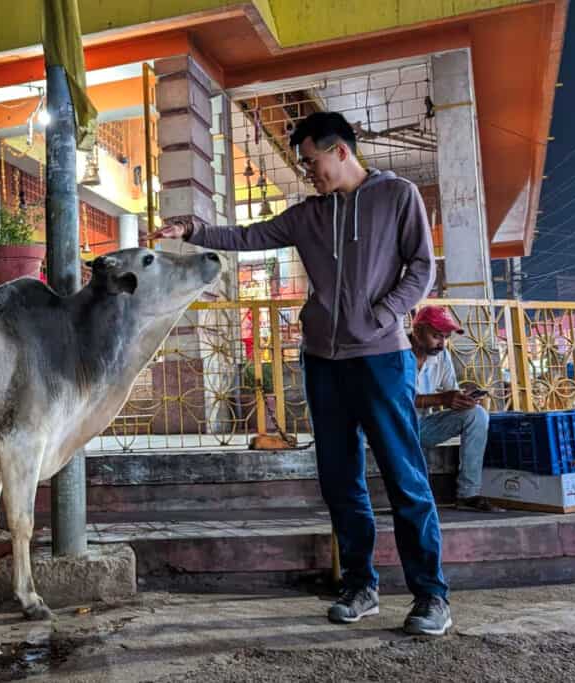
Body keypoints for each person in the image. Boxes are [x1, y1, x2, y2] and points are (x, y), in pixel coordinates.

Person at [152, 112, 451, 635]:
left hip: (381, 358)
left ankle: (431, 596)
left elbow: (421, 267)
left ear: (340, 151)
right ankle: (361, 586)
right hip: (322, 363)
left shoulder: (397, 196)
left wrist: (383, 315)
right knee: (340, 481)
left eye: (311, 161)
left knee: (404, 478)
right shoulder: (309, 215)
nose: (308, 171)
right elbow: (250, 235)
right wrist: (194, 229)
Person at [410, 306, 500, 512]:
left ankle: (468, 494)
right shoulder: (396, 353)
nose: (441, 343)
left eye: (445, 337)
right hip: (390, 428)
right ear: (418, 330)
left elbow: (450, 391)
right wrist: (442, 398)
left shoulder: (441, 356)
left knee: (476, 415)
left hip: (421, 425)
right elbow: (393, 399)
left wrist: (462, 399)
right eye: (436, 336)